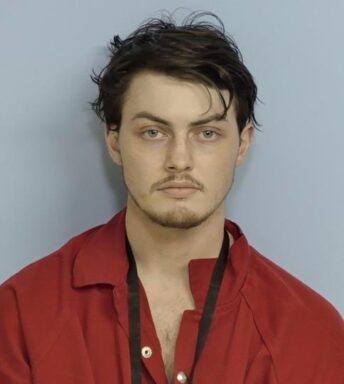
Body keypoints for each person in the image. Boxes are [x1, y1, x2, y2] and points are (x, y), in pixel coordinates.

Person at [0, 9, 343, 384]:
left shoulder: (312, 333)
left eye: (206, 133)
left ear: (242, 144)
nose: (179, 161)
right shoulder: (21, 315)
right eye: (153, 132)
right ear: (114, 142)